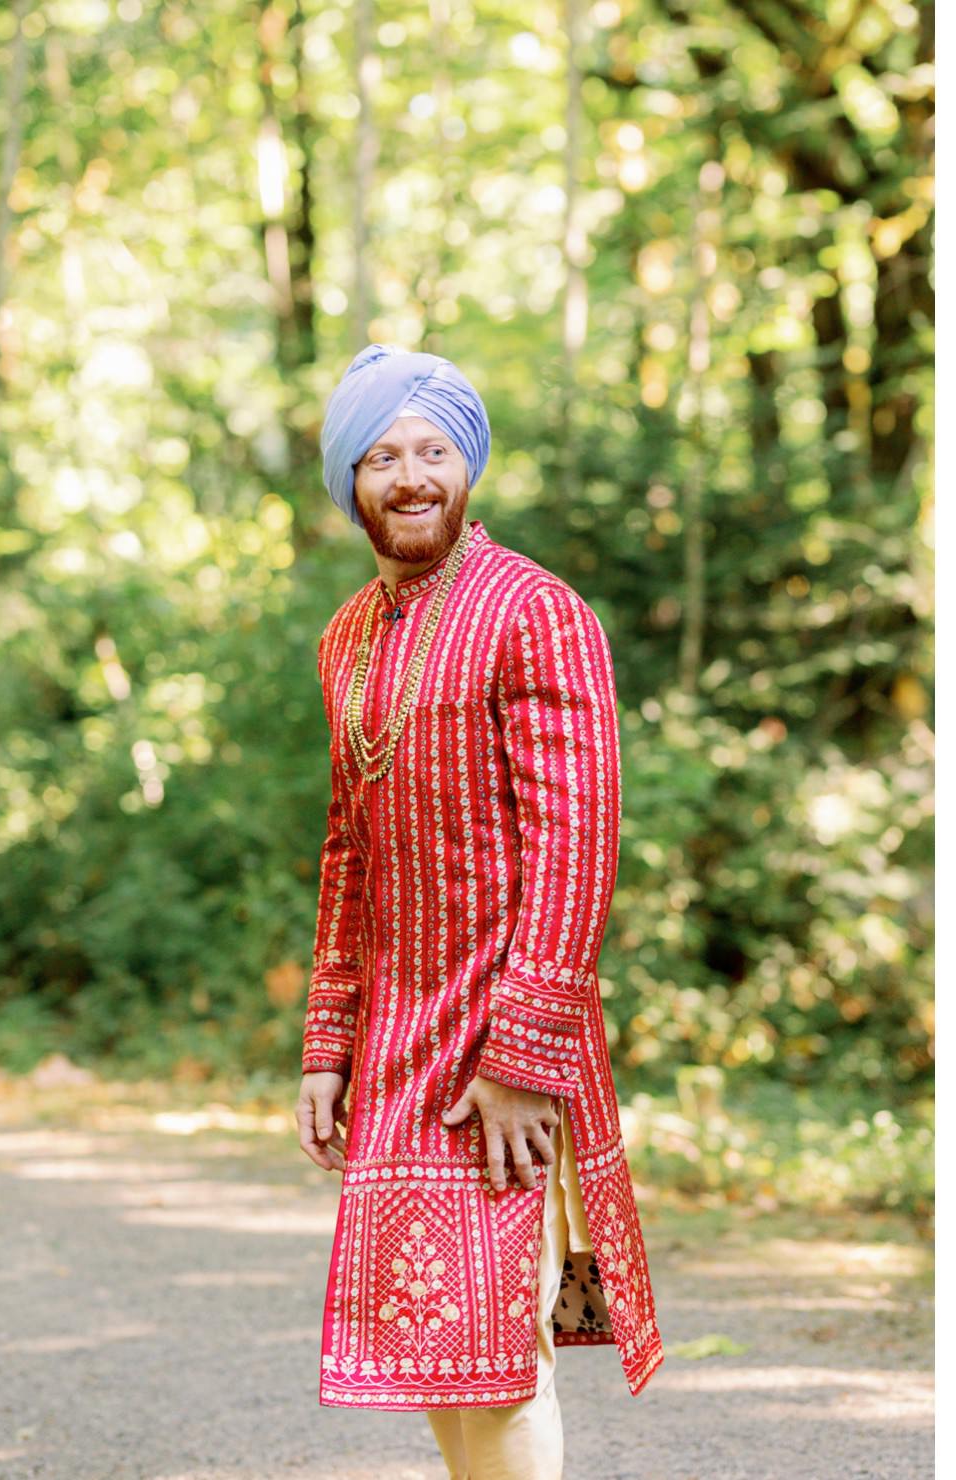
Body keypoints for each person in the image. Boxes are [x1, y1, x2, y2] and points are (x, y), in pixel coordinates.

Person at [294, 345, 661, 1478]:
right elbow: (347, 848)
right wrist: (328, 1041)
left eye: (432, 451)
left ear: (469, 466)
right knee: (438, 1346)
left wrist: (522, 1057)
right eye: (382, 455)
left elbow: (576, 840)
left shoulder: (535, 612)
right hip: (396, 1041)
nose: (410, 477)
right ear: (350, 481)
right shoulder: (346, 638)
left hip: (500, 1038)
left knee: (502, 1346)